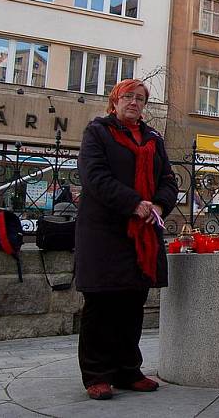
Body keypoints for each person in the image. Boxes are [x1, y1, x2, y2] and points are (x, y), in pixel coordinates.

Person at [75, 79, 178, 400]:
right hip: (105, 231)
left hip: (143, 233)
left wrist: (158, 204)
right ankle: (96, 373)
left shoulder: (153, 138)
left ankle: (127, 369)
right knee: (102, 303)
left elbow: (168, 180)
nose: (134, 103)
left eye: (140, 98)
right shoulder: (98, 133)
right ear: (114, 101)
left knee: (133, 302)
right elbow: (94, 176)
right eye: (128, 97)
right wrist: (133, 203)